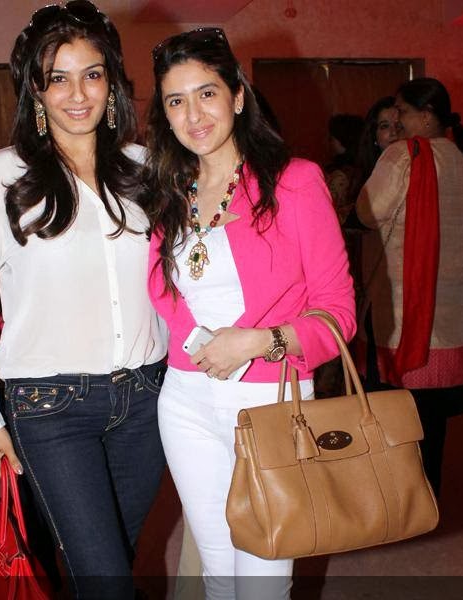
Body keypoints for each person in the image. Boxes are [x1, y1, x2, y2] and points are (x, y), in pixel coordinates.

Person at [0, 3, 167, 598]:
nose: (77, 94)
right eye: (57, 78)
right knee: (107, 580)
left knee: (111, 562)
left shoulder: (144, 170)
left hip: (146, 401)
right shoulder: (5, 176)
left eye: (92, 74)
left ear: (112, 83)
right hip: (50, 409)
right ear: (36, 92)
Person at [143, 28, 355, 600]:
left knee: (264, 576)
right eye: (176, 101)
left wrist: (258, 343)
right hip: (185, 403)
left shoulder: (295, 182)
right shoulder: (171, 193)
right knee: (216, 572)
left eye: (206, 93)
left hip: (271, 404)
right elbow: (169, 303)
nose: (194, 114)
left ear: (238, 96)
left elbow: (339, 314)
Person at [356, 77, 463, 496]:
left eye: (403, 111)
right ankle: (428, 492)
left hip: (405, 305)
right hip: (450, 303)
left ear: (427, 115)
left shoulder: (404, 156)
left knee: (395, 407)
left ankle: (401, 498)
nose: (396, 120)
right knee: (432, 415)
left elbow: (368, 212)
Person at [323, 113, 364, 223]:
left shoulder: (342, 174)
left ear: (342, 138)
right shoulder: (364, 164)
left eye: (332, 138)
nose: (329, 141)